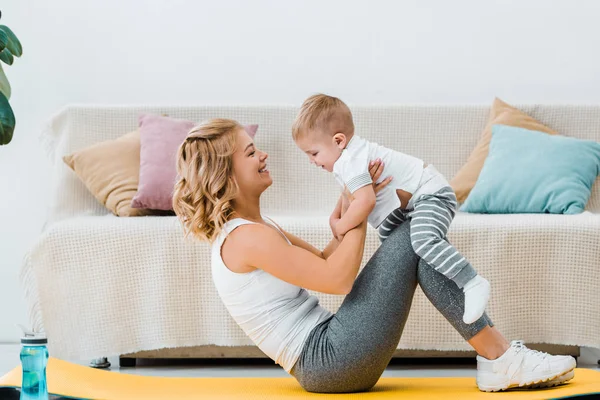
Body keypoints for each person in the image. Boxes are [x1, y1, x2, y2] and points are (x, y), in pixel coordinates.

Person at [172, 118, 575, 393]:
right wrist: (363, 202)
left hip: (334, 353)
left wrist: (352, 201)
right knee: (416, 235)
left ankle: (500, 357)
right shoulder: (244, 240)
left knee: (413, 231)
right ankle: (502, 359)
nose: (263, 156)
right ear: (224, 176)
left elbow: (327, 257)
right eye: (250, 153)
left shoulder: (257, 230)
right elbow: (338, 279)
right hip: (329, 362)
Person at [292, 93, 489, 324]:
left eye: (313, 153)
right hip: (409, 207)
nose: (312, 161)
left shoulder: (351, 160)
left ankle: (472, 281)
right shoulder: (349, 159)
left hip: (431, 194)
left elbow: (365, 202)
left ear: (338, 141)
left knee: (423, 240)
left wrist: (340, 227)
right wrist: (335, 220)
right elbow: (350, 195)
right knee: (390, 238)